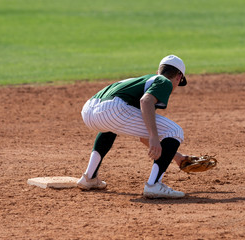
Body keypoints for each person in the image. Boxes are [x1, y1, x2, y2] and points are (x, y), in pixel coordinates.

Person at [77, 55, 192, 199]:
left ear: (158, 71)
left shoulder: (139, 81)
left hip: (89, 111)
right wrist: (155, 137)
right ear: (179, 76)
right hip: (113, 109)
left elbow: (144, 136)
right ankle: (154, 185)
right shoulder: (164, 82)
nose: (176, 86)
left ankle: (89, 178)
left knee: (110, 126)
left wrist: (176, 157)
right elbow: (146, 102)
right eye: (179, 82)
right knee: (175, 131)